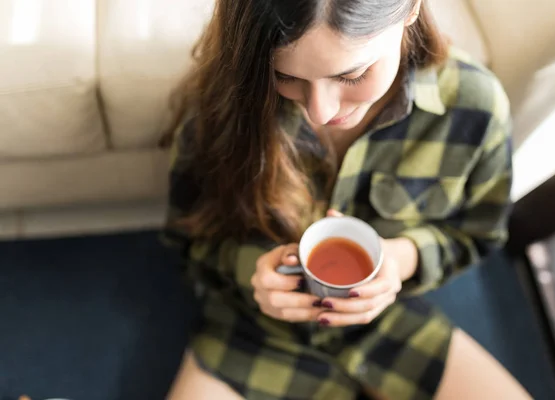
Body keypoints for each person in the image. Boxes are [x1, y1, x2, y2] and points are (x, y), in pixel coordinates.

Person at [163, 0, 531, 398]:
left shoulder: (474, 107)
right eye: (285, 75)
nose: (321, 111)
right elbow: (189, 238)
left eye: (352, 75)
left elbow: (477, 234)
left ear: (410, 10)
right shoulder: (227, 100)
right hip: (253, 328)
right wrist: (255, 275)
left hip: (390, 324)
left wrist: (403, 258)